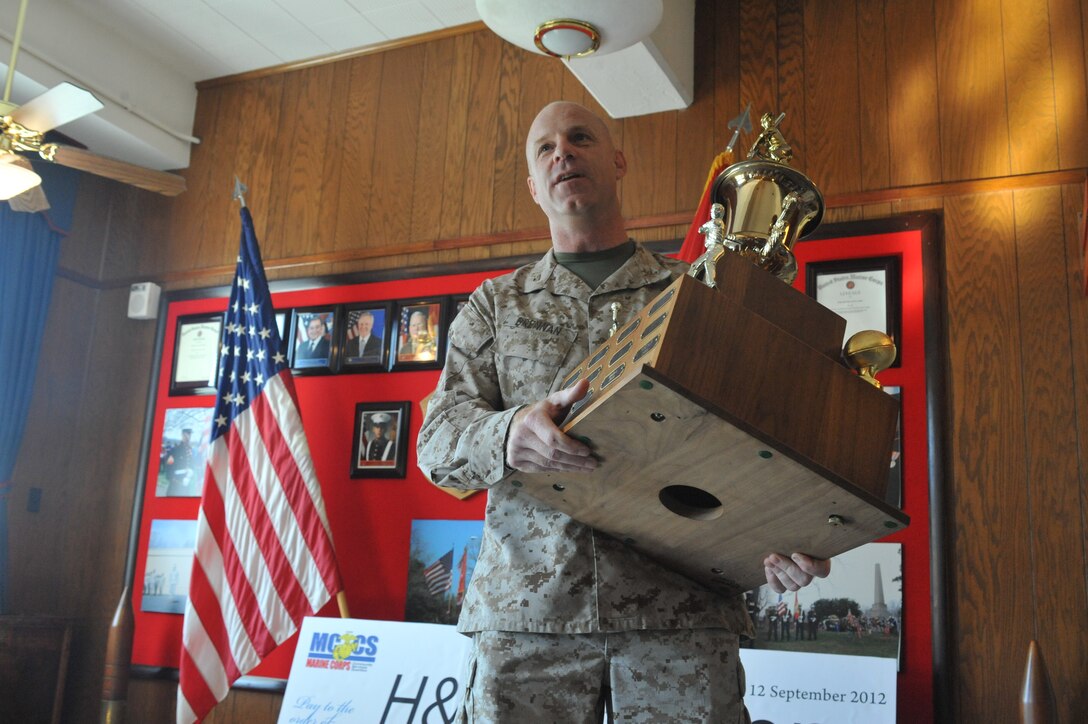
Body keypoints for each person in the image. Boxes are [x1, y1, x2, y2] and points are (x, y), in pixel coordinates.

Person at [417, 100, 829, 722]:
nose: (563, 152)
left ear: (618, 161)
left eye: (580, 138)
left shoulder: (697, 290)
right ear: (533, 185)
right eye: (545, 147)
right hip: (530, 617)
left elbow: (766, 430)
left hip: (681, 614)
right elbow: (437, 444)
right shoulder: (495, 305)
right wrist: (508, 434)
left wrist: (791, 534)